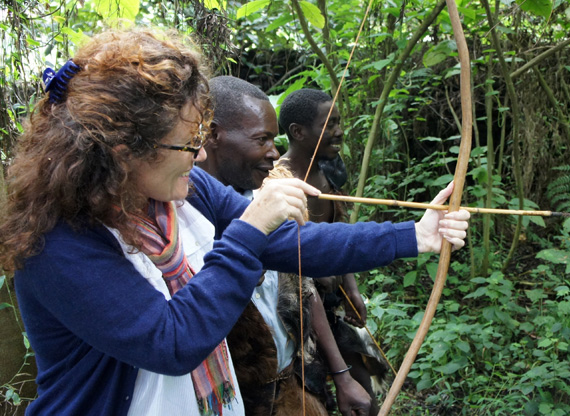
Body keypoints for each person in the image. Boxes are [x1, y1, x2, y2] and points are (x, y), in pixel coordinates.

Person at [0, 28, 470, 416]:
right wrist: (249, 229)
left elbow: (289, 243)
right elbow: (172, 341)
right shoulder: (56, 241)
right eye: (187, 145)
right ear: (123, 152)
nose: (201, 155)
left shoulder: (180, 193)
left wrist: (414, 234)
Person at [198, 75, 370, 415]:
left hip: (290, 381)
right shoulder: (183, 222)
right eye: (261, 139)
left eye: (273, 140)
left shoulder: (265, 194)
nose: (273, 153)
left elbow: (303, 283)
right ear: (213, 134)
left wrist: (341, 374)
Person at [277, 89, 380, 415]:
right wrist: (340, 375)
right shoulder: (278, 183)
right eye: (329, 124)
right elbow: (300, 284)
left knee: (367, 395)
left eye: (339, 122)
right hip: (299, 316)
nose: (339, 131)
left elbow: (338, 236)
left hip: (332, 305)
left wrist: (351, 289)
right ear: (298, 132)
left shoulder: (331, 170)